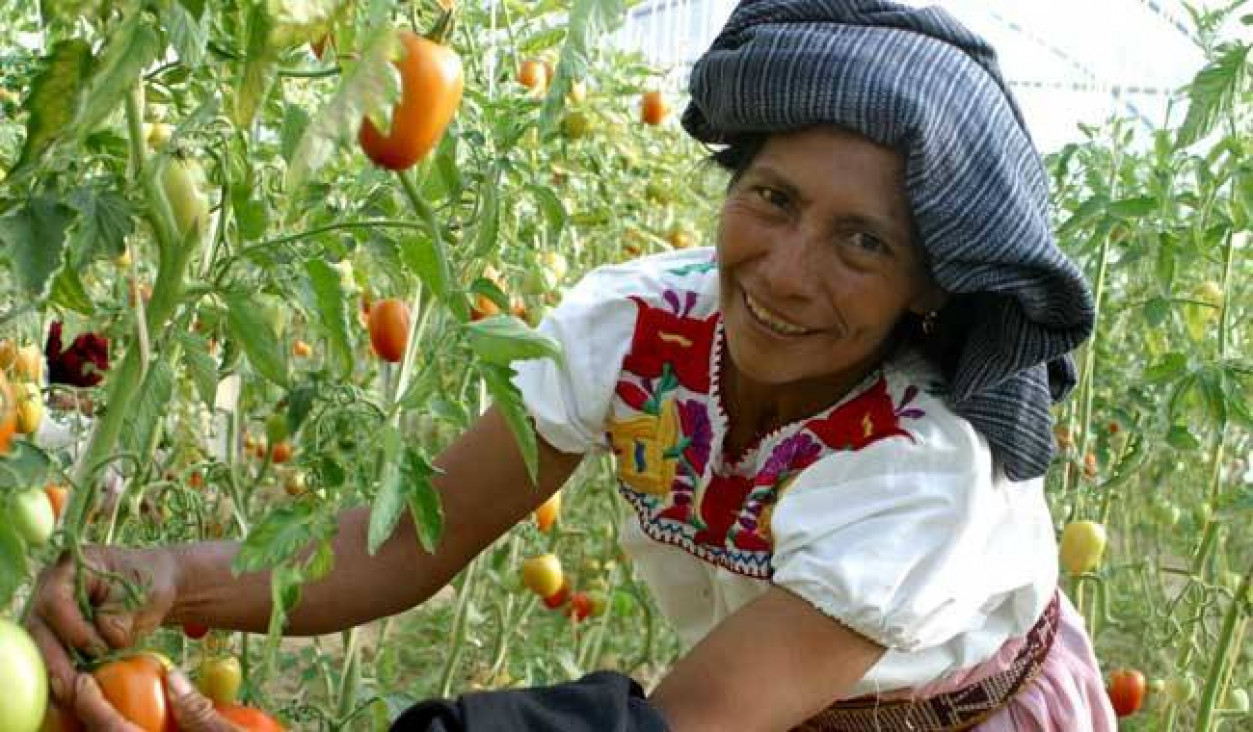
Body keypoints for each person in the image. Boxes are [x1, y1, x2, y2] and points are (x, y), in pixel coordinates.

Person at [29, 1, 1119, 729]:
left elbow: (682, 723)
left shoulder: (922, 469)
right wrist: (179, 579)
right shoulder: (635, 327)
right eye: (772, 200)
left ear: (928, 286)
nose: (786, 273)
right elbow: (409, 536)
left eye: (862, 241)